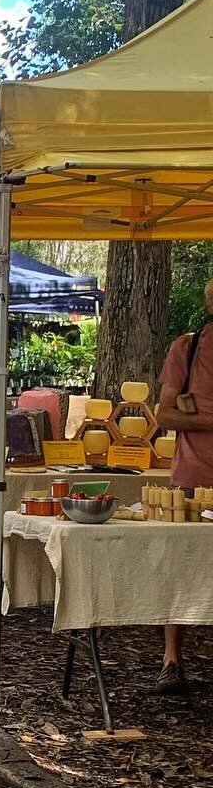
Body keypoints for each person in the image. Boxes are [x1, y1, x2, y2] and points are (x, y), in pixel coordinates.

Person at [152, 278, 213, 693]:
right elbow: (166, 416)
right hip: (192, 476)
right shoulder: (186, 349)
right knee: (180, 564)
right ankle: (172, 658)